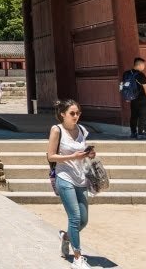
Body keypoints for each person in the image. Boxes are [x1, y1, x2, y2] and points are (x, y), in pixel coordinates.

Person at [46, 99, 96, 269]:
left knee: (84, 220)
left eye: (78, 113)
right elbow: (51, 156)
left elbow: (83, 150)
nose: (76, 116)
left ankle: (65, 237)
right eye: (72, 113)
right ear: (63, 114)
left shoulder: (82, 129)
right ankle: (78, 258)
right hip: (64, 176)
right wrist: (72, 157)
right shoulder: (57, 130)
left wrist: (89, 154)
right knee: (74, 217)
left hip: (81, 177)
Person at [122, 57, 146, 138]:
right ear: (140, 65)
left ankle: (133, 132)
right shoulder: (140, 74)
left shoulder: (126, 73)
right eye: (144, 65)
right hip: (142, 99)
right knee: (142, 116)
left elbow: (123, 86)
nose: (144, 67)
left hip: (132, 98)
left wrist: (126, 96)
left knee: (133, 116)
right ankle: (141, 133)